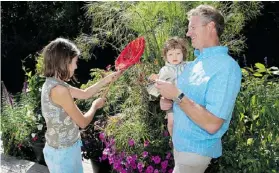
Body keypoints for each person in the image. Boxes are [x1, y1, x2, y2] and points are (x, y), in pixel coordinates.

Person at [155, 5, 242, 173]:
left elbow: (212, 123)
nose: (188, 34)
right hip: (180, 147)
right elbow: (183, 98)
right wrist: (168, 100)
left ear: (210, 27)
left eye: (193, 28)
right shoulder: (195, 63)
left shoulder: (226, 67)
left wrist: (177, 95)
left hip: (195, 151)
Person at [41, 38, 121, 173]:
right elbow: (83, 122)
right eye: (74, 62)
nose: (76, 66)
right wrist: (95, 106)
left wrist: (107, 79)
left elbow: (85, 93)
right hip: (64, 155)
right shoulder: (60, 90)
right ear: (64, 62)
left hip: (61, 149)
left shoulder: (52, 83)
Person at [146, 37, 188, 136]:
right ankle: (173, 139)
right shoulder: (164, 70)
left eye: (178, 53)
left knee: (186, 121)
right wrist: (153, 80)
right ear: (165, 56)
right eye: (170, 54)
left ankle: (184, 139)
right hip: (171, 100)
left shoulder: (187, 66)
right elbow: (158, 85)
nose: (175, 57)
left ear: (183, 54)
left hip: (185, 97)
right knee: (172, 122)